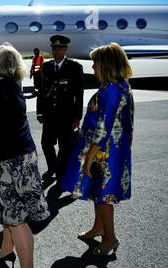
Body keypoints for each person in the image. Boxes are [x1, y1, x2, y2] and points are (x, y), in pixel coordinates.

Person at [0, 45, 49, 268]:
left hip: (8, 161)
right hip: (26, 157)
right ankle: (6, 250)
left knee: (17, 219)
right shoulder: (14, 86)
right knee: (10, 212)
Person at [61, 43, 134, 256]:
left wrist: (89, 158)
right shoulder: (118, 85)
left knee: (103, 196)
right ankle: (98, 227)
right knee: (97, 192)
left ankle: (110, 238)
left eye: (95, 63)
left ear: (106, 64)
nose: (92, 67)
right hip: (108, 150)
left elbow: (104, 127)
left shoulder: (111, 90)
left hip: (105, 152)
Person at [36, 35, 84, 184]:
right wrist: (40, 112)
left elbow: (79, 93)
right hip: (49, 115)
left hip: (67, 116)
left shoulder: (74, 67)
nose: (57, 51)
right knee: (46, 143)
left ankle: (61, 172)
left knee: (65, 146)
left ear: (65, 49)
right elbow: (41, 92)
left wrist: (77, 116)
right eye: (55, 48)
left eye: (60, 48)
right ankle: (53, 167)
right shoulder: (46, 67)